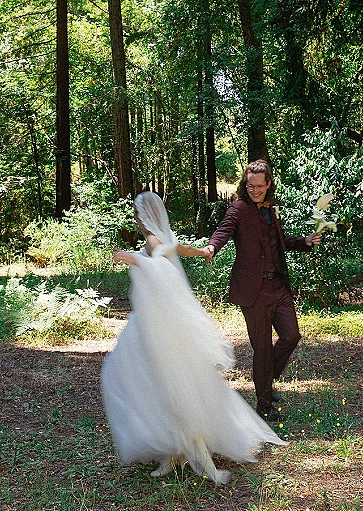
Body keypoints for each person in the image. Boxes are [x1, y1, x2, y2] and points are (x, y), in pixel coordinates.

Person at [100, 191, 286, 486]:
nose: (136, 219)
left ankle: (177, 445)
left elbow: (160, 264)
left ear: (142, 217)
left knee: (145, 380)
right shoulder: (163, 236)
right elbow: (180, 249)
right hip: (156, 323)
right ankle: (171, 450)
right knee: (161, 384)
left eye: (137, 214)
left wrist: (133, 259)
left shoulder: (152, 241)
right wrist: (203, 252)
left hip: (157, 326)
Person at [203, 160, 322, 422]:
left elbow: (278, 243)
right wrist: (212, 247)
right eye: (250, 185)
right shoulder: (238, 209)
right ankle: (264, 403)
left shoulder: (272, 209)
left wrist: (304, 241)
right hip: (253, 291)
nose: (254, 190)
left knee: (291, 335)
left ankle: (266, 380)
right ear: (245, 185)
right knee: (263, 348)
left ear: (269, 184)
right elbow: (224, 231)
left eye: (259, 186)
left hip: (278, 287)